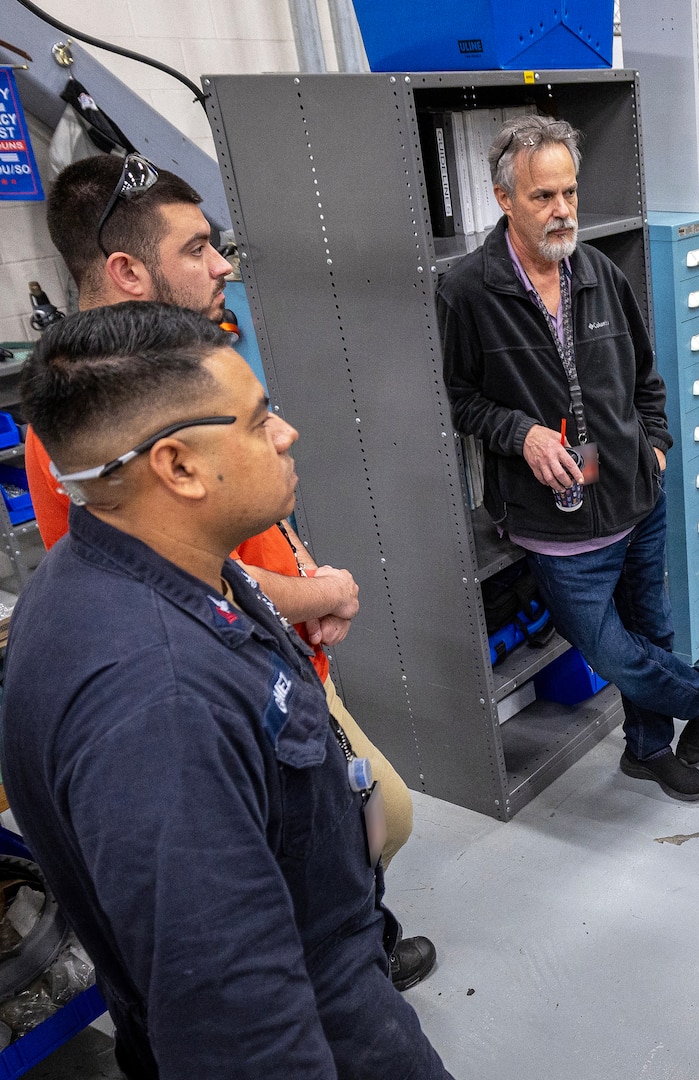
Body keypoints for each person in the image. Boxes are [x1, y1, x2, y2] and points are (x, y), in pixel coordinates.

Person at [3, 304, 453, 1078]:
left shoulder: (137, 564)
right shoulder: (158, 706)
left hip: (335, 963)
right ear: (177, 466)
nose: (286, 432)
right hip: (327, 1023)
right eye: (257, 420)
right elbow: (239, 1035)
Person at [30, 154, 436, 989]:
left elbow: (228, 534)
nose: (221, 266)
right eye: (197, 249)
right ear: (127, 271)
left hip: (283, 652)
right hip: (251, 672)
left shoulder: (185, 360)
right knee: (370, 824)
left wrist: (301, 586)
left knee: (353, 827)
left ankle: (355, 933)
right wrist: (317, 593)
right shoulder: (93, 424)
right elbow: (182, 575)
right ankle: (340, 952)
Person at [440, 114, 699, 802]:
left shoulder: (600, 271)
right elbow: (457, 399)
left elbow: (646, 381)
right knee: (609, 650)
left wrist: (656, 450)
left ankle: (646, 749)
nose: (563, 210)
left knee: (653, 629)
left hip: (636, 496)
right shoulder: (467, 292)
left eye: (570, 193)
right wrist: (521, 433)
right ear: (504, 199)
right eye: (543, 196)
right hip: (555, 520)